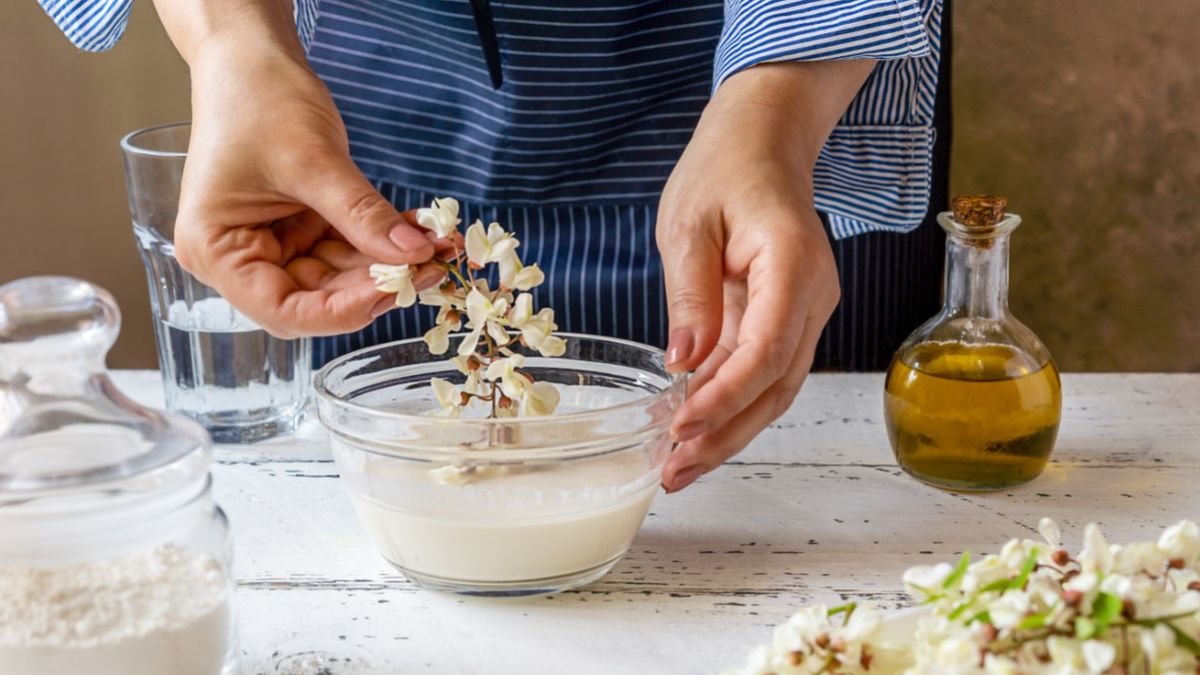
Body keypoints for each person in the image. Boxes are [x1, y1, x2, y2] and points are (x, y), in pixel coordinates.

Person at [41, 0, 949, 493]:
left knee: (821, 486)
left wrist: (774, 115)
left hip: (780, 87)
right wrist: (236, 43)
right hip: (363, 100)